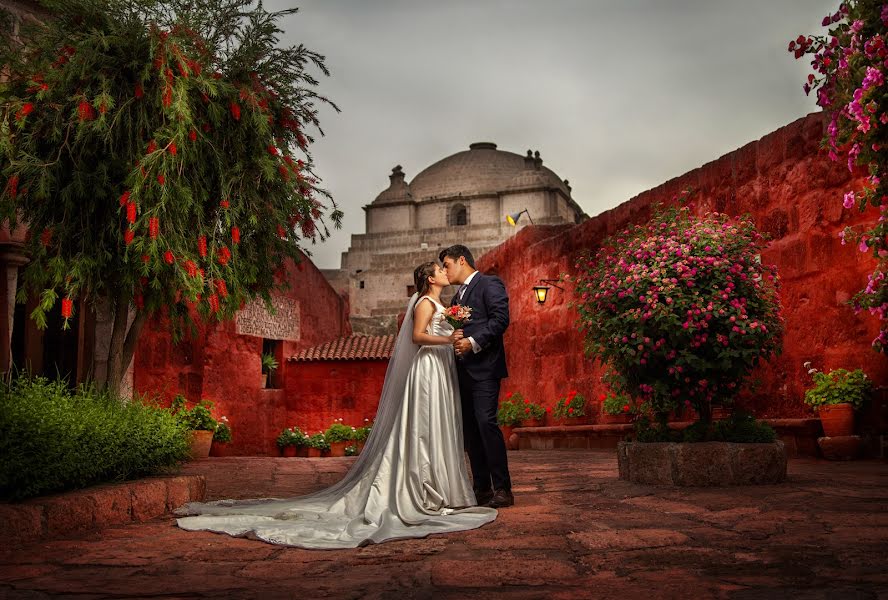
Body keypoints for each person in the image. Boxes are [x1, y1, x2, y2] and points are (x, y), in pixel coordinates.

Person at [174, 261, 497, 549]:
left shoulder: (443, 303)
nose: (445, 271)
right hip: (427, 369)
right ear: (429, 278)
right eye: (440, 269)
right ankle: (419, 487)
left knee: (439, 427)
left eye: (445, 267)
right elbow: (415, 337)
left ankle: (441, 486)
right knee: (423, 427)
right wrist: (449, 340)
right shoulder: (426, 302)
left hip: (441, 369)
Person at [439, 244, 513, 509]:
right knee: (470, 432)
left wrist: (472, 341)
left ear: (461, 260)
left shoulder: (489, 284)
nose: (445, 272)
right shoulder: (457, 298)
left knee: (486, 423)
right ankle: (481, 488)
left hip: (485, 368)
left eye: (447, 265)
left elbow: (500, 319)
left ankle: (502, 488)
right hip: (462, 371)